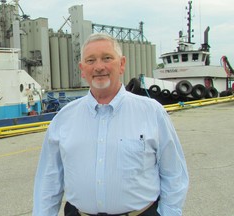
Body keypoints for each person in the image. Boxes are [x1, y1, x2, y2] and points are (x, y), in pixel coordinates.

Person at [33, 33, 189, 216]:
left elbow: (174, 173)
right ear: (82, 69)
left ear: (121, 64)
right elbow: (49, 180)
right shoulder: (63, 119)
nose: (99, 67)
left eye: (107, 58)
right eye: (91, 60)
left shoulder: (152, 112)